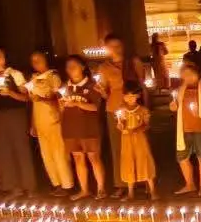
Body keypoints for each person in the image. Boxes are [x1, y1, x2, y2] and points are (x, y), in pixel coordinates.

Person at [97, 33, 149, 199]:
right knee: (118, 148)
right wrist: (102, 93)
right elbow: (105, 91)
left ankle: (145, 180)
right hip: (115, 109)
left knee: (139, 146)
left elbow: (142, 84)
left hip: (135, 108)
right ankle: (122, 183)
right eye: (111, 46)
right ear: (106, 48)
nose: (115, 49)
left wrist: (146, 106)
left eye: (118, 45)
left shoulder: (133, 62)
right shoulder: (104, 68)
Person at [0, 48, 36, 197]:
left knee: (21, 148)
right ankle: (13, 186)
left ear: (5, 58)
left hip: (16, 114)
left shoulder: (15, 74)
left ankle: (29, 186)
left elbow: (25, 98)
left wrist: (10, 93)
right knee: (4, 150)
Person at [27, 50, 74, 197]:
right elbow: (33, 104)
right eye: (33, 60)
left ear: (46, 60)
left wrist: (43, 99)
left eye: (39, 59)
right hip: (40, 120)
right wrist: (33, 123)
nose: (36, 63)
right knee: (46, 154)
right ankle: (56, 183)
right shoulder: (33, 79)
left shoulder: (53, 77)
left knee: (59, 153)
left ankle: (67, 184)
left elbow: (59, 98)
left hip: (54, 119)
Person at [60, 54, 107, 200]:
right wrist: (61, 105)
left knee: (94, 158)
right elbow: (61, 107)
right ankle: (84, 189)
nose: (71, 69)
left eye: (74, 66)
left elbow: (95, 107)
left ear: (82, 67)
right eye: (68, 67)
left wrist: (78, 103)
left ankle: (101, 189)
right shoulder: (65, 87)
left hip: (89, 129)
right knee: (78, 159)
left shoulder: (92, 85)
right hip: (71, 129)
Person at [169, 59, 201, 195]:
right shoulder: (180, 90)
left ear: (197, 74)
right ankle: (189, 184)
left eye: (190, 74)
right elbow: (174, 106)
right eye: (184, 74)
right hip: (184, 129)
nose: (187, 77)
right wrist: (173, 106)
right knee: (182, 157)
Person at [116, 82, 157, 200]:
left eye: (132, 96)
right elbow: (121, 124)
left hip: (140, 141)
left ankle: (153, 191)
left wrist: (137, 130)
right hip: (127, 141)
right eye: (127, 96)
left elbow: (146, 124)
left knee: (144, 161)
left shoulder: (143, 110)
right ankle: (130, 193)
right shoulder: (121, 110)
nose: (129, 98)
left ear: (138, 96)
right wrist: (120, 125)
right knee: (128, 163)